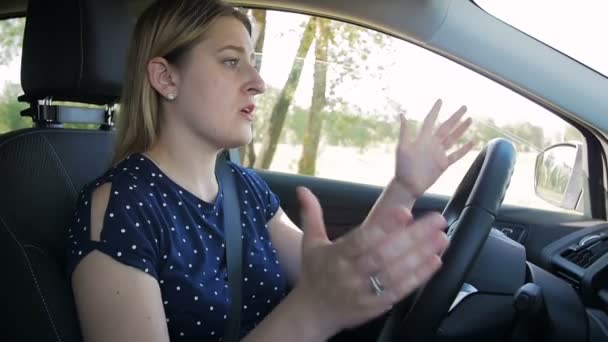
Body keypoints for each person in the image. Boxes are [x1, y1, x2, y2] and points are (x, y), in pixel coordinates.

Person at [64, 0, 473, 341]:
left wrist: (404, 188)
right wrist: (313, 312)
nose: (258, 81)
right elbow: (322, 297)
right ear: (166, 76)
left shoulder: (243, 187)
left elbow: (329, 273)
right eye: (230, 62)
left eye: (252, 63)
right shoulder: (118, 209)